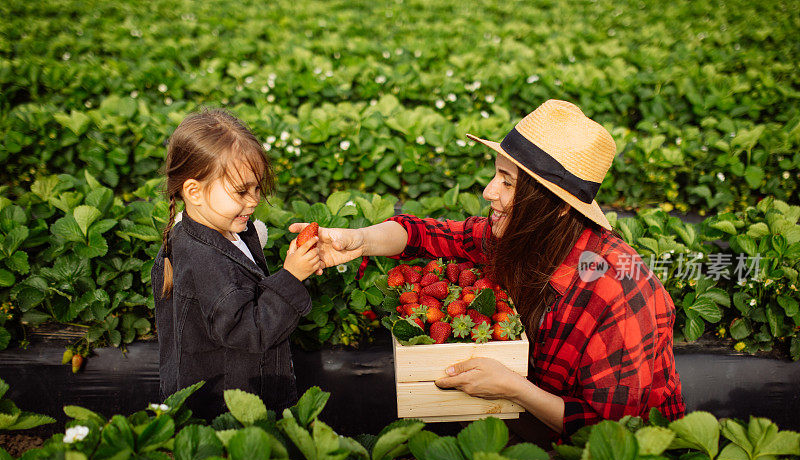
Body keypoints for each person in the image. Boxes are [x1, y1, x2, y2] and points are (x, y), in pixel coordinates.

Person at [291, 99, 685, 441]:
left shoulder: (618, 290)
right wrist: (360, 240)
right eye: (496, 174)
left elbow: (612, 432)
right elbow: (427, 234)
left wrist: (515, 388)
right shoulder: (522, 237)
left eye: (507, 182)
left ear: (557, 204)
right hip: (533, 420)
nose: (488, 191)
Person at [152, 109, 321, 421]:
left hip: (227, 388)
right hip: (228, 407)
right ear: (194, 191)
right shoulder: (204, 259)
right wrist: (291, 277)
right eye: (241, 191)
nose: (254, 200)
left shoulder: (215, 230)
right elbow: (248, 331)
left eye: (257, 188)